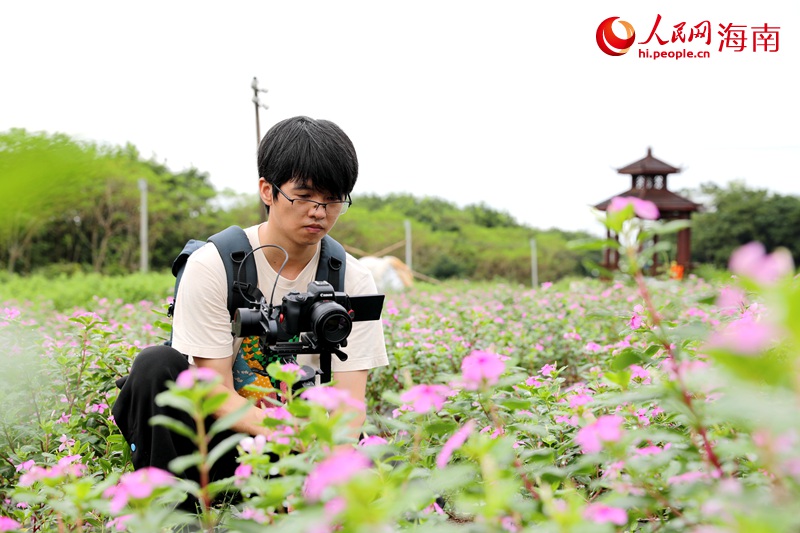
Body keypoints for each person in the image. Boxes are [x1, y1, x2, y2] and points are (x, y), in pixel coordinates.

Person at [111, 116, 389, 500]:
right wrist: (289, 434)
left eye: (334, 199)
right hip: (219, 446)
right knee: (155, 366)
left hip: (301, 453)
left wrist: (329, 480)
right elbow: (216, 392)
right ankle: (172, 511)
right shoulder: (215, 265)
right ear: (267, 190)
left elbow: (349, 405)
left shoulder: (352, 280)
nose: (319, 212)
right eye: (304, 195)